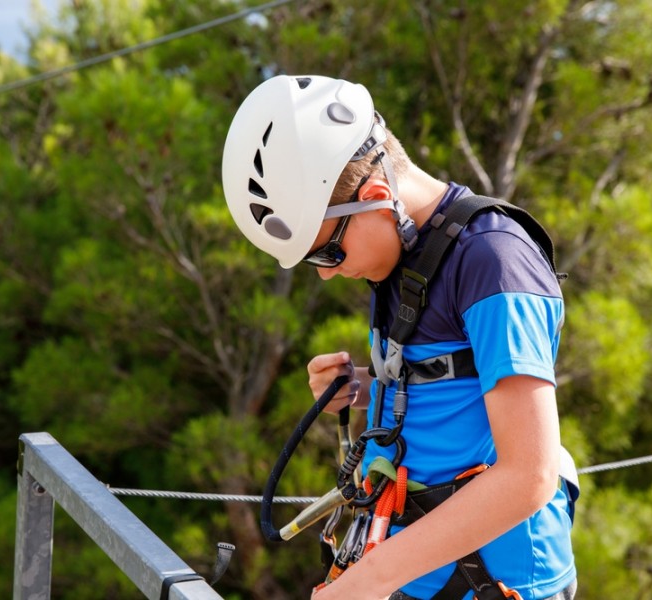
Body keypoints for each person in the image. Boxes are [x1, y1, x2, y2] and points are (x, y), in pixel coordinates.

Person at [222, 74, 578, 600]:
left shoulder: (494, 261)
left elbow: (530, 473)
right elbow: (458, 381)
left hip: (498, 583)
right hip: (414, 569)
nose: (325, 273)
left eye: (328, 252)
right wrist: (363, 386)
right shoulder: (404, 260)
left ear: (377, 196)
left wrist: (370, 580)